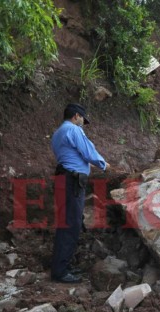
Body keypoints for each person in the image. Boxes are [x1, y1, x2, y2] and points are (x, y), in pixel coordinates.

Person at [50, 103, 109, 283]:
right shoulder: (74, 130)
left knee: (65, 222)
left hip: (63, 178)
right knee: (71, 224)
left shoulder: (57, 133)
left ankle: (62, 265)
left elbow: (72, 155)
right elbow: (89, 152)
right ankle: (60, 272)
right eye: (83, 119)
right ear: (76, 116)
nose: (83, 122)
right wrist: (104, 164)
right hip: (72, 181)